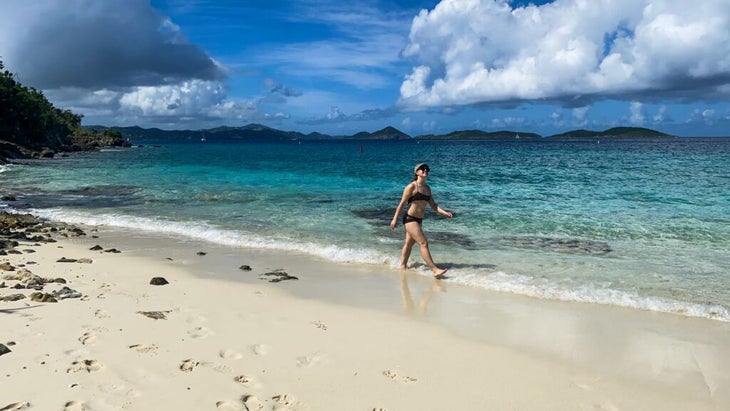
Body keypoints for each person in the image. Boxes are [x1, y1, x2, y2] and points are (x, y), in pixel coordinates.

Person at [390, 163, 453, 278]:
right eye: (422, 169)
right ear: (416, 172)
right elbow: (402, 204)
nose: (425, 170)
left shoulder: (428, 189)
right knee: (423, 243)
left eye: (427, 169)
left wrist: (445, 213)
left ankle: (402, 266)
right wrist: (395, 219)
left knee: (409, 244)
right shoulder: (411, 187)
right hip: (409, 219)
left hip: (419, 220)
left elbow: (434, 206)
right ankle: (434, 270)